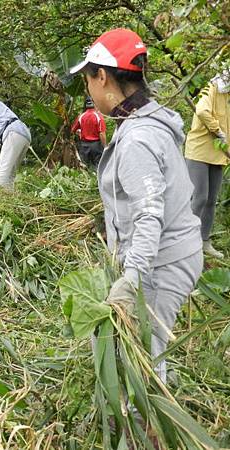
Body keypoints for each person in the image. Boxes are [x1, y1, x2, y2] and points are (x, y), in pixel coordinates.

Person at [70, 28, 203, 383]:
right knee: (147, 349)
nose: (89, 89)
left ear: (102, 77)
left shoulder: (138, 139)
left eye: (88, 80)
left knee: (142, 360)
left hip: (162, 260)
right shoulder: (146, 121)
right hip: (173, 251)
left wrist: (132, 280)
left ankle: (148, 429)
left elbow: (149, 214)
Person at [184, 71, 229, 259]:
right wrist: (218, 131)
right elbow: (202, 111)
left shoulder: (227, 96)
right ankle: (186, 243)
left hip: (218, 153)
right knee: (199, 198)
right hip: (199, 152)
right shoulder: (211, 88)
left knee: (212, 200)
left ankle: (204, 241)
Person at [71, 97, 107, 169]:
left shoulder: (81, 116)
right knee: (98, 166)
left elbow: (73, 130)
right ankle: (97, 180)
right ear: (94, 104)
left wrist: (80, 132)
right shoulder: (98, 116)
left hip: (84, 145)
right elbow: (102, 133)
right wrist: (105, 146)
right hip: (96, 145)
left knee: (85, 166)